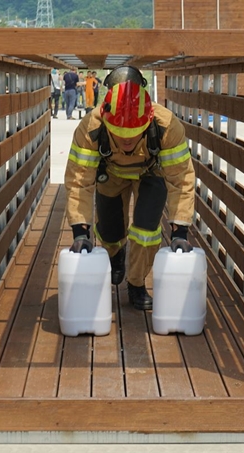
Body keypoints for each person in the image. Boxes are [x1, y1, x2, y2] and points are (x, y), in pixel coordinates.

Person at [64, 66, 195, 310]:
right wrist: (80, 232)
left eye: (134, 135)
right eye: (119, 134)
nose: (127, 142)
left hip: (150, 173)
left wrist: (180, 232)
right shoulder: (91, 127)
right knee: (110, 231)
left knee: (146, 230)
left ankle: (136, 284)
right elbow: (79, 181)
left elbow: (181, 178)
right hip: (111, 174)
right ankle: (116, 257)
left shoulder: (166, 125)